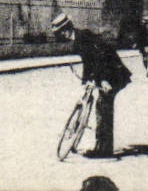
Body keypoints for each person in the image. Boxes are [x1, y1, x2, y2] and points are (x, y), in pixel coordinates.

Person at [53, 12, 131, 158]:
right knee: (101, 105)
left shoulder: (84, 36)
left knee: (103, 106)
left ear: (67, 28)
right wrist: (86, 80)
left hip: (114, 73)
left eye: (62, 31)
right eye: (59, 33)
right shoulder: (78, 40)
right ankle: (99, 145)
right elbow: (88, 62)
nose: (61, 35)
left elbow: (101, 56)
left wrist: (103, 80)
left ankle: (103, 150)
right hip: (105, 73)